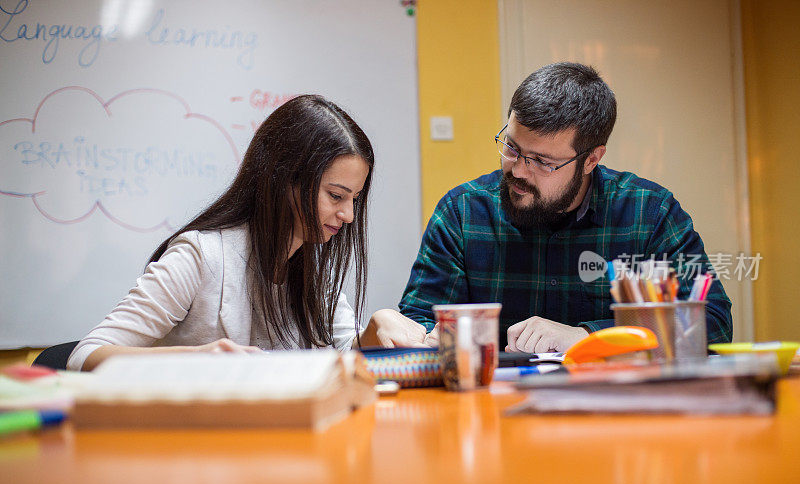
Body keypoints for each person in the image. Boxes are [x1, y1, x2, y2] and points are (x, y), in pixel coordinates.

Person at [69, 95, 425, 371]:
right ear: (285, 180)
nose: (347, 215)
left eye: (354, 200)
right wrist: (195, 361)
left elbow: (341, 357)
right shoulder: (200, 256)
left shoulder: (317, 267)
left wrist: (374, 332)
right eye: (335, 196)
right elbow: (85, 354)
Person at [400, 62, 733, 353]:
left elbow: (711, 321)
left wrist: (587, 335)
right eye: (512, 149)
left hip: (617, 411)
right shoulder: (463, 213)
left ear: (591, 159)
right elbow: (419, 318)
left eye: (543, 162)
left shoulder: (649, 214)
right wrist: (425, 334)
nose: (518, 171)